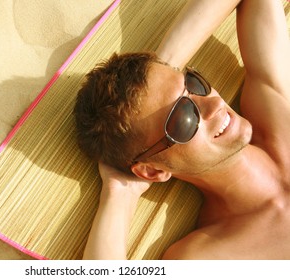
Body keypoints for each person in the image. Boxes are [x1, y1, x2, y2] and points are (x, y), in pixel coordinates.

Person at [73, 0, 290, 259]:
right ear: (152, 170)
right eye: (183, 117)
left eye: (194, 83)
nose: (213, 104)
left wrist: (163, 68)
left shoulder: (279, 109)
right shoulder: (214, 256)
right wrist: (121, 194)